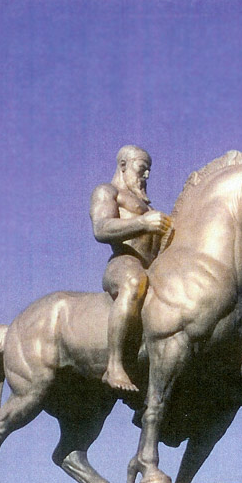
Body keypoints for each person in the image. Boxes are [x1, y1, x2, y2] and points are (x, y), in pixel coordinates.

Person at [90, 145, 172, 392]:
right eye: (142, 168)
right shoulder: (107, 192)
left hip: (152, 268)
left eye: (149, 171)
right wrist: (142, 223)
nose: (146, 176)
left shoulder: (149, 207)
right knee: (133, 283)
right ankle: (114, 365)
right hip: (124, 262)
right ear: (123, 165)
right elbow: (101, 228)